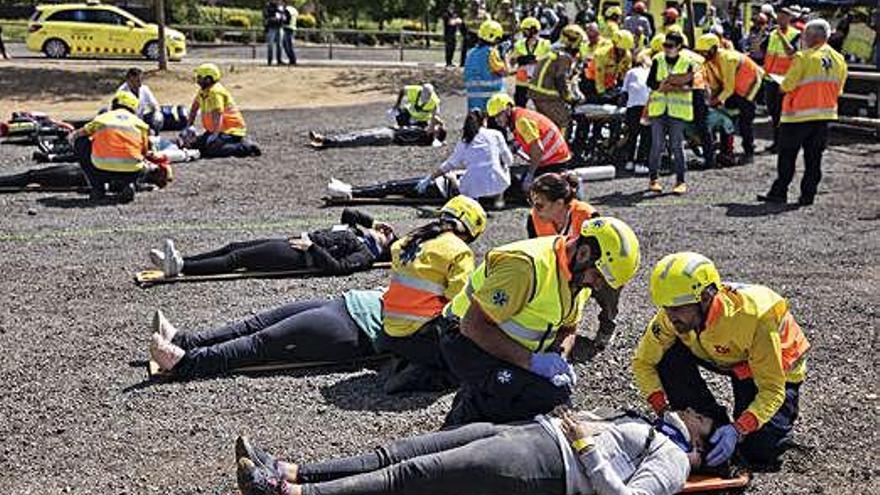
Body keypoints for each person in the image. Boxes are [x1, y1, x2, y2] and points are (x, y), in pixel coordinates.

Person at [234, 406, 715, 495]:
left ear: (699, 440)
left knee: (414, 475)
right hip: (531, 432)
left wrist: (588, 447)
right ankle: (292, 471)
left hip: (546, 465)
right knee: (396, 452)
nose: (694, 409)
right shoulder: (651, 423)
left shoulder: (673, 460)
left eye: (702, 416)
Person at [441, 217, 641, 426]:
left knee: (546, 391)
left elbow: (569, 327)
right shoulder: (524, 267)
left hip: (502, 343)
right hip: (463, 338)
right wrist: (532, 362)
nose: (598, 287)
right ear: (583, 254)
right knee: (538, 398)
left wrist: (558, 357)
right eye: (598, 277)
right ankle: (458, 430)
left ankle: (472, 408)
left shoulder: (578, 280)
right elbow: (473, 326)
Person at [633, 252, 811, 468]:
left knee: (760, 451)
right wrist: (663, 410)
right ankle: (706, 421)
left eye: (677, 308)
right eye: (665, 307)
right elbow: (643, 362)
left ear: (705, 298)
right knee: (664, 356)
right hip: (723, 355)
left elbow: (772, 390)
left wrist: (739, 429)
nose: (670, 316)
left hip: (774, 368)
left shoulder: (754, 319)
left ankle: (734, 432)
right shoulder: (674, 314)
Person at [147, 289, 386, 378]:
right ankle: (185, 341)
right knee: (255, 323)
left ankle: (185, 363)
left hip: (354, 327)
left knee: (262, 342)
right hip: (346, 302)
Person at [379, 196, 486, 392]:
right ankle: (420, 376)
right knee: (469, 365)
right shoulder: (459, 251)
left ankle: (405, 362)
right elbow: (460, 301)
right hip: (421, 337)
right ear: (468, 230)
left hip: (388, 332)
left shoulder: (408, 240)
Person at [152, 209, 395, 278]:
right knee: (233, 247)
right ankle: (183, 260)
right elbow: (348, 213)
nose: (385, 231)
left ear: (384, 247)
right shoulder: (359, 233)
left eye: (388, 234)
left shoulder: (365, 255)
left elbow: (337, 268)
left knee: (238, 260)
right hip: (294, 243)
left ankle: (182, 267)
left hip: (299, 256)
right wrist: (374, 222)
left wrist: (312, 248)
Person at [758, 19, 847, 206]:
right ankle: (807, 196)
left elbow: (787, 86)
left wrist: (782, 85)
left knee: (787, 157)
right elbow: (838, 90)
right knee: (814, 160)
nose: (803, 39)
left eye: (805, 35)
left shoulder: (804, 57)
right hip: (824, 116)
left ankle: (779, 193)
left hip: (798, 116)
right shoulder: (839, 59)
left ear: (813, 37)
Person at [67, 91, 155, 202]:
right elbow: (145, 151)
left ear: (114, 104)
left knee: (80, 142)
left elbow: (77, 135)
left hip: (100, 169)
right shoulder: (141, 124)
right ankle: (128, 184)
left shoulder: (103, 118)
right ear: (134, 108)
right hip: (131, 171)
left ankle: (98, 188)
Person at [415, 109, 512, 208]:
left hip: (473, 189)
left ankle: (457, 185)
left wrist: (429, 179)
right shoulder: (496, 134)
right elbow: (509, 160)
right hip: (499, 185)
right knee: (501, 167)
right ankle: (498, 199)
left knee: (458, 174)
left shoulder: (465, 140)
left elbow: (449, 164)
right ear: (484, 121)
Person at [696, 34, 763, 164]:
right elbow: (715, 84)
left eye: (705, 51)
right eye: (700, 52)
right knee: (726, 118)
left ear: (714, 49)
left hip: (750, 85)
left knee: (745, 120)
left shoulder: (728, 59)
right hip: (734, 87)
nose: (702, 54)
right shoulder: (709, 61)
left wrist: (714, 101)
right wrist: (712, 100)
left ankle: (749, 153)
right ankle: (726, 152)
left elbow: (728, 89)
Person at [485, 92, 573, 192]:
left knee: (528, 191)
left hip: (555, 162)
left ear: (508, 109)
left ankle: (567, 181)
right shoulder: (519, 115)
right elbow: (527, 137)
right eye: (495, 117)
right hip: (555, 158)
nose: (497, 120)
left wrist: (530, 175)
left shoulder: (521, 122)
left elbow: (538, 150)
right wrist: (514, 145)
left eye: (499, 115)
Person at [646, 32, 697, 195]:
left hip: (677, 111)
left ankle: (680, 181)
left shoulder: (688, 62)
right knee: (657, 145)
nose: (667, 49)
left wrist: (673, 87)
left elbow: (692, 85)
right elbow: (650, 82)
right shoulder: (657, 60)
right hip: (658, 110)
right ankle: (653, 179)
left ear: (679, 47)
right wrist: (662, 85)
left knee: (677, 146)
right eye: (665, 45)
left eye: (671, 46)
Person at [184, 63, 261, 158]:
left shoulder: (215, 92)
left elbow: (218, 114)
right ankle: (219, 142)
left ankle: (246, 147)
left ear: (208, 78)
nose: (197, 80)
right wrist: (188, 126)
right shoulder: (203, 91)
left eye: (200, 77)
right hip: (216, 130)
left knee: (212, 150)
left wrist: (215, 135)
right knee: (195, 146)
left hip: (231, 131)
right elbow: (194, 109)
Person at [528, 24, 585, 134]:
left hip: (536, 93)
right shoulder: (564, 57)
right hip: (547, 95)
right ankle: (562, 149)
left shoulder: (553, 49)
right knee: (564, 121)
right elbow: (561, 80)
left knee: (546, 124)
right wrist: (569, 98)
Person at [761, 7, 800, 153]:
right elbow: (760, 50)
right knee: (773, 113)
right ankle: (777, 142)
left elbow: (792, 53)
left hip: (784, 80)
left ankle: (782, 143)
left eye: (784, 16)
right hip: (770, 79)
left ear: (790, 18)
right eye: (779, 16)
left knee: (782, 114)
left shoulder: (795, 34)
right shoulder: (772, 34)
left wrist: (781, 36)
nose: (780, 19)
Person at [526, 172, 598, 240]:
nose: (535, 209)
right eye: (531, 203)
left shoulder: (587, 217)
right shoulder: (533, 218)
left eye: (539, 205)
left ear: (559, 204)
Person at [464, 20, 507, 112]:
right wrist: (504, 56)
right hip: (491, 99)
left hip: (473, 99)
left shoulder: (471, 52)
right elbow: (504, 71)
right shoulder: (491, 52)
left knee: (475, 123)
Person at [510, 17, 552, 108]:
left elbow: (549, 61)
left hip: (539, 82)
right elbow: (512, 62)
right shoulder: (519, 44)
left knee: (542, 108)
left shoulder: (546, 44)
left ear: (533, 30)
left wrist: (535, 59)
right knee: (520, 107)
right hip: (522, 82)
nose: (523, 33)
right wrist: (518, 59)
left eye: (525, 30)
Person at [309, 122, 447, 149]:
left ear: (436, 133)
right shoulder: (424, 129)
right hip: (389, 130)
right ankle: (327, 139)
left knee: (358, 139)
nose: (434, 126)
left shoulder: (427, 137)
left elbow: (435, 117)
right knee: (357, 134)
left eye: (437, 128)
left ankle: (325, 141)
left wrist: (439, 124)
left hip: (389, 136)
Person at [621, 53, 652, 174]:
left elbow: (624, 92)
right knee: (645, 135)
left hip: (633, 106)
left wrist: (622, 107)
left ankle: (629, 162)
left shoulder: (630, 72)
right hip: (646, 106)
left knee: (633, 134)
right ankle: (640, 163)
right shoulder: (650, 71)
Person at [118, 68, 162, 135]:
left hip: (140, 121)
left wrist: (157, 112)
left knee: (158, 119)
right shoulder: (122, 91)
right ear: (129, 80)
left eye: (141, 80)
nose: (140, 83)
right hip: (126, 122)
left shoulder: (144, 89)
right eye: (137, 81)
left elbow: (154, 104)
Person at [461, 0, 492, 66]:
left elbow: (489, 24)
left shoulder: (484, 14)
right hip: (471, 34)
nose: (474, 7)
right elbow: (465, 24)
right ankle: (463, 63)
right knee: (467, 49)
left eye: (476, 5)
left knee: (481, 50)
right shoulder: (468, 14)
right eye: (473, 5)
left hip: (481, 35)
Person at [263, 0, 284, 66]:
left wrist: (282, 18)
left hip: (279, 27)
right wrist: (272, 18)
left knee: (279, 45)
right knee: (270, 45)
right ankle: (270, 60)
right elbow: (265, 15)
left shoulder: (280, 6)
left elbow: (282, 15)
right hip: (271, 27)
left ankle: (279, 60)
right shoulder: (268, 6)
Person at [280, 0, 298, 66]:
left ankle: (293, 60)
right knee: (287, 45)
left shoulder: (286, 10)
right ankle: (292, 60)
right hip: (292, 28)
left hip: (287, 28)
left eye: (281, 3)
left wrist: (281, 21)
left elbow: (286, 19)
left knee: (287, 46)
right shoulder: (293, 10)